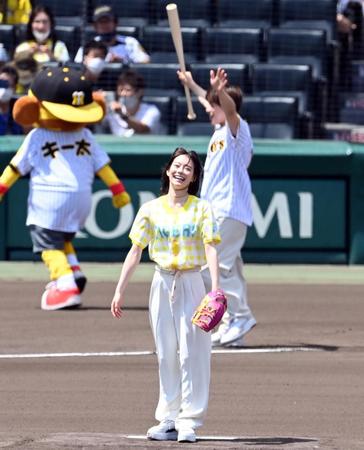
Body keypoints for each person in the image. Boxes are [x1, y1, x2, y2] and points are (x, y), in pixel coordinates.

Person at [111, 147, 221, 443]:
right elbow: (135, 250)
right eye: (177, 165)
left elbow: (211, 246)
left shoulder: (201, 208)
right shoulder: (151, 209)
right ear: (168, 169)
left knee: (191, 352)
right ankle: (168, 418)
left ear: (194, 176)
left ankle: (189, 420)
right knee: (165, 353)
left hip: (191, 281)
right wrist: (120, 290)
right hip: (161, 282)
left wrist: (215, 287)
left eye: (188, 168)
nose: (181, 171)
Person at [0, 65, 130, 311]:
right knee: (62, 237)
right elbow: (104, 168)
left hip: (49, 198)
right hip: (81, 199)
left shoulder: (38, 135)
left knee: (48, 243)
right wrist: (118, 191)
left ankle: (65, 283)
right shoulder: (86, 135)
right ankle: (75, 270)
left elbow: (15, 169)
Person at [178, 67, 257, 347]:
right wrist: (193, 84)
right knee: (230, 269)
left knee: (212, 268)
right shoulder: (219, 131)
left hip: (229, 211)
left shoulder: (237, 130)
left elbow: (228, 110)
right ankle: (234, 322)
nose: (209, 111)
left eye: (214, 106)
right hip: (220, 213)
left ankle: (238, 317)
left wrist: (220, 92)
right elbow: (211, 105)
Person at [74, 5, 150, 64]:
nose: (104, 25)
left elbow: (146, 62)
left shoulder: (130, 42)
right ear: (95, 26)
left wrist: (123, 62)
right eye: (101, 22)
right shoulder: (88, 45)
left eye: (107, 21)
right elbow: (77, 66)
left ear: (115, 23)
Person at [103, 68, 162, 136]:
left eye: (128, 90)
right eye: (121, 90)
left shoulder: (152, 111)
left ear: (139, 92)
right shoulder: (112, 110)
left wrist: (122, 116)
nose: (123, 94)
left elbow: (143, 129)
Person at [0, 65, 23, 135]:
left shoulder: (19, 110)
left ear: (14, 88)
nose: (4, 88)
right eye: (1, 83)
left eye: (7, 84)